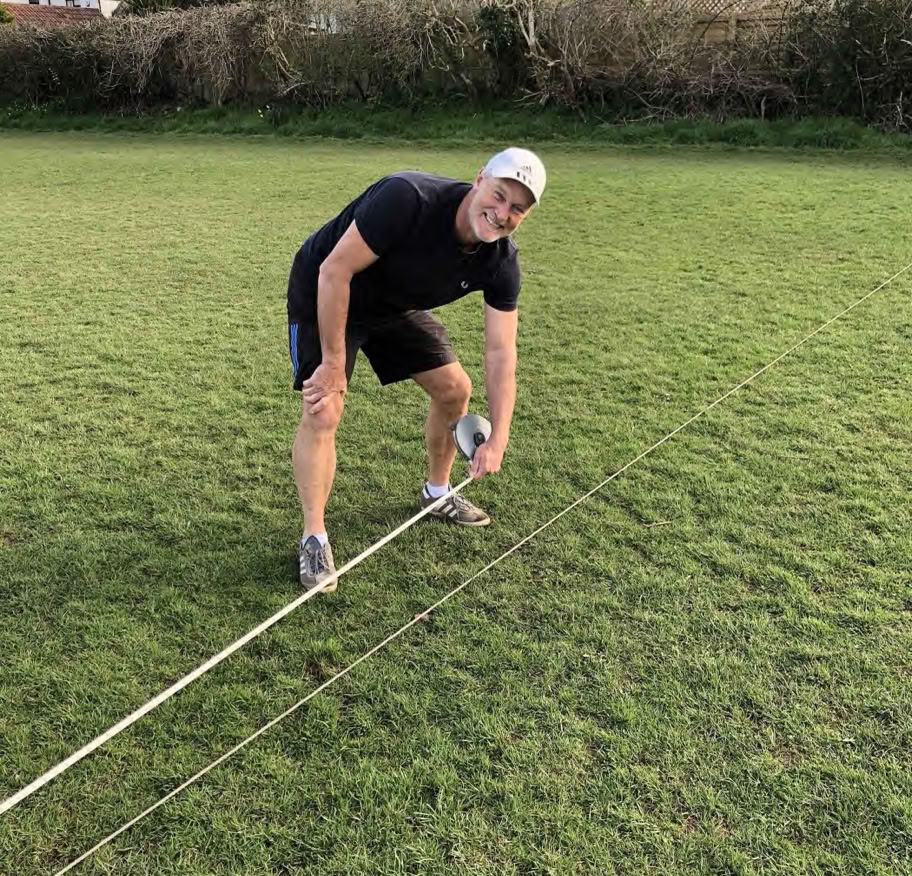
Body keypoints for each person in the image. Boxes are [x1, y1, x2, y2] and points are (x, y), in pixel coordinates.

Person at [286, 147, 546, 592]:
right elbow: (334, 271)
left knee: (454, 389)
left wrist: (499, 436)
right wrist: (332, 364)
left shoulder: (501, 262)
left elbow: (501, 352)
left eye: (517, 209)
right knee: (324, 407)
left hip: (391, 305)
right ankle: (314, 537)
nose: (502, 214)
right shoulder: (407, 198)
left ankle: (437, 493)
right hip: (326, 288)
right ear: (479, 179)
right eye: (499, 195)